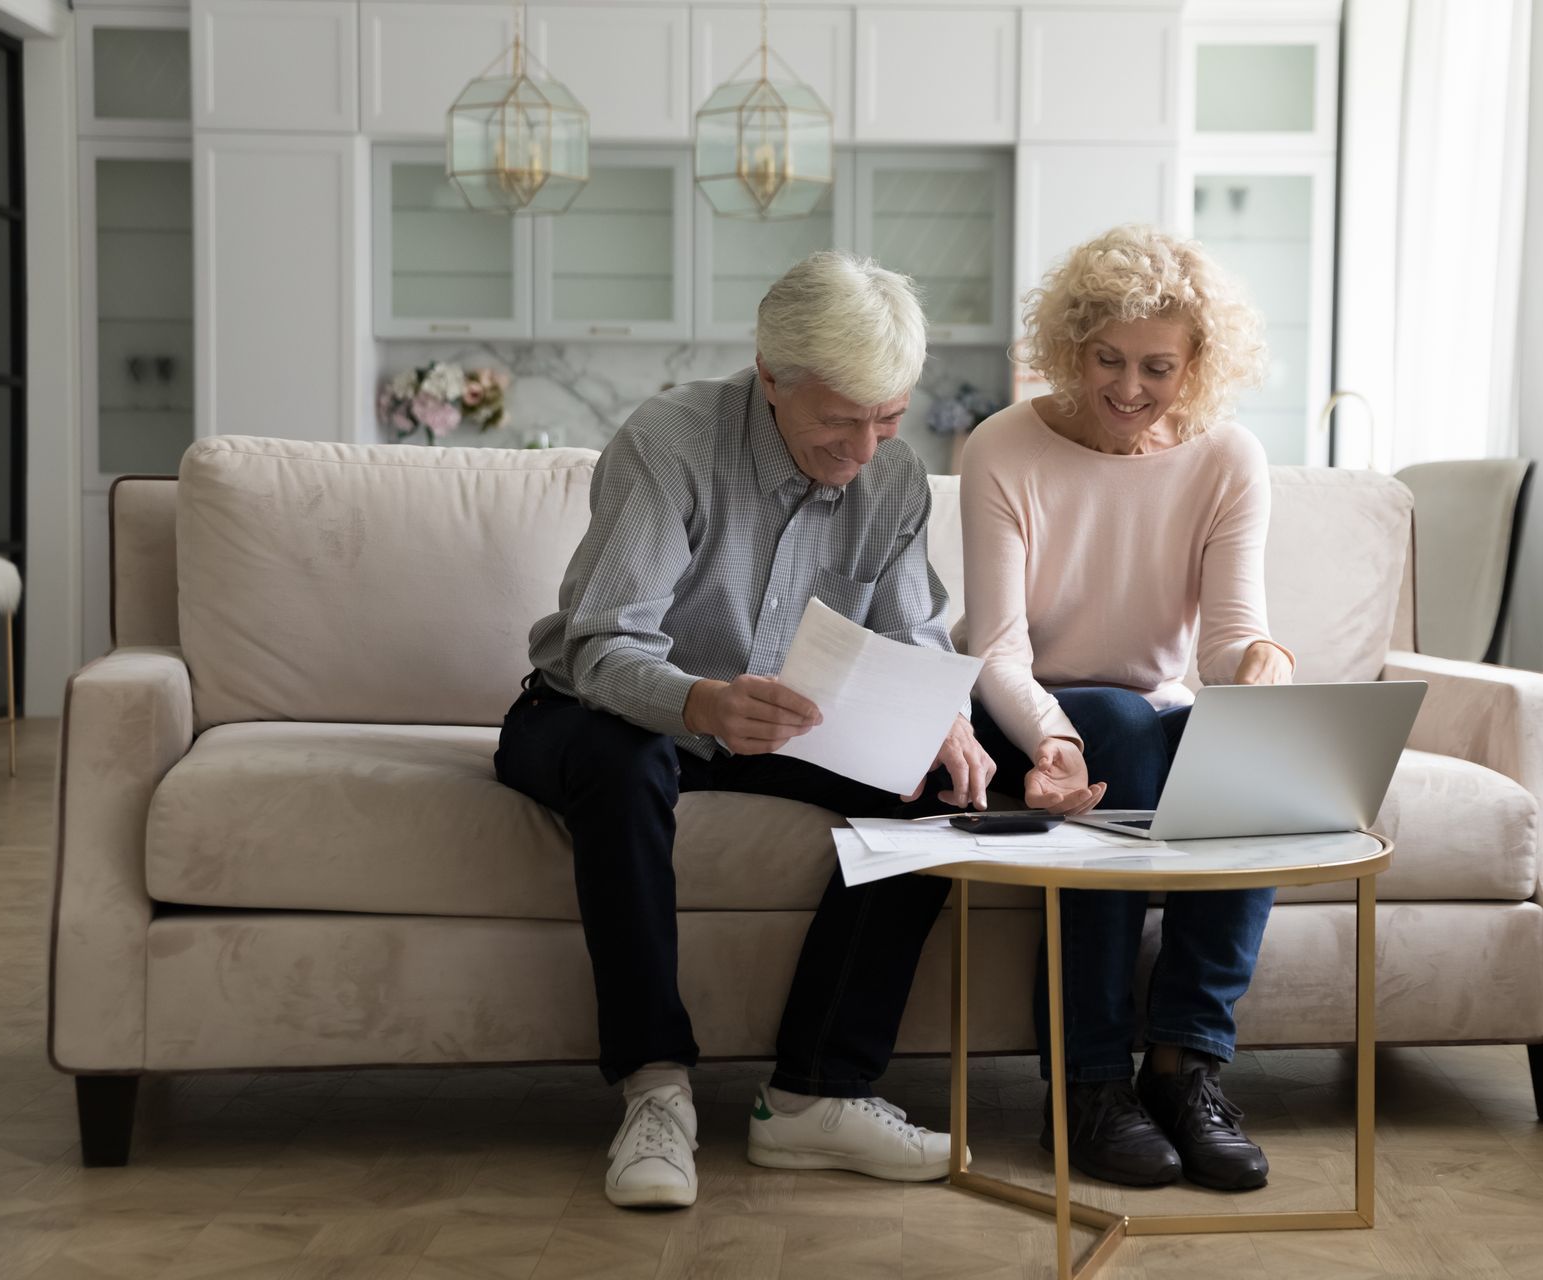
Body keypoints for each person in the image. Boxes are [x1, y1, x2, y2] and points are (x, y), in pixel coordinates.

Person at [495, 250, 996, 1210]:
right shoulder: (671, 441)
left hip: (777, 728)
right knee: (625, 761)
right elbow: (603, 648)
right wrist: (703, 702)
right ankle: (656, 1093)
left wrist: (946, 722)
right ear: (771, 376)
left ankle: (814, 1095)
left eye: (886, 419)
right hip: (592, 711)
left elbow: (914, 637)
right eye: (839, 420)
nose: (863, 448)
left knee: (941, 784)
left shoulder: (891, 478)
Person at [959, 225, 1296, 1191]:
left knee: (1226, 739)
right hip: (1027, 709)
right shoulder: (1004, 448)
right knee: (1118, 720)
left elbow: (1229, 642)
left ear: (1197, 365)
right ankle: (1089, 1083)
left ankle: (1187, 1067)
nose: (1127, 387)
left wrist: (1264, 667)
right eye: (1106, 358)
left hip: (1141, 718)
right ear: (1070, 348)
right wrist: (1054, 734)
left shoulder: (1229, 459)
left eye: (1157, 366)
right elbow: (996, 652)